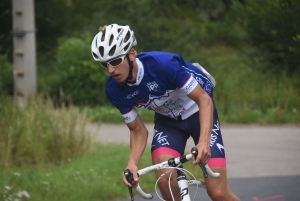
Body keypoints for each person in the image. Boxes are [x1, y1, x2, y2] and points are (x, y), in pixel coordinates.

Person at [91, 24, 239, 201]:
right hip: (168, 121)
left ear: (131, 54)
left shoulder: (163, 65)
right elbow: (138, 130)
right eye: (104, 64)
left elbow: (204, 99)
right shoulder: (114, 89)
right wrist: (132, 164)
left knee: (218, 193)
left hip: (199, 111)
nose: (110, 70)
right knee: (165, 180)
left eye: (115, 61)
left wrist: (203, 142)